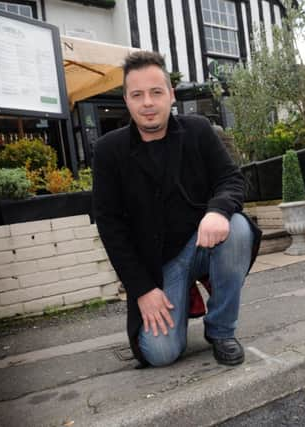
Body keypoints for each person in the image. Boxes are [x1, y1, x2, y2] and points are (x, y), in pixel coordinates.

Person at [92, 51, 261, 368]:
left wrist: (218, 210)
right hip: (158, 266)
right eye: (137, 95)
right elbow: (111, 227)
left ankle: (221, 330)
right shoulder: (108, 151)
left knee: (236, 227)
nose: (148, 103)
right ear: (126, 100)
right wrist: (143, 290)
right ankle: (179, 302)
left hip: (202, 244)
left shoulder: (197, 130)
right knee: (159, 353)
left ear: (170, 94)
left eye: (156, 92)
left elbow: (231, 179)